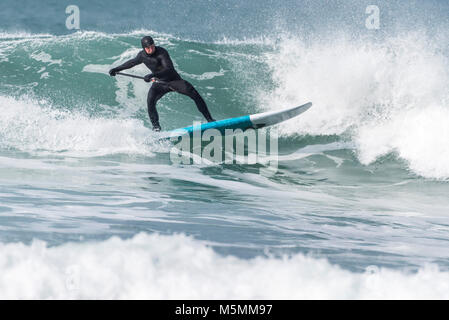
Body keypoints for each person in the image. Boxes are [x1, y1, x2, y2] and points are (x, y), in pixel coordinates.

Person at [109, 36, 215, 131]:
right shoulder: (142, 56)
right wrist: (116, 69)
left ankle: (210, 119)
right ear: (144, 48)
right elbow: (131, 63)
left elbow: (168, 69)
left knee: (194, 93)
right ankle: (156, 127)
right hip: (160, 83)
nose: (151, 49)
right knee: (150, 101)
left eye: (152, 46)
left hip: (173, 80)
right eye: (148, 48)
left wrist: (151, 75)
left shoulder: (161, 52)